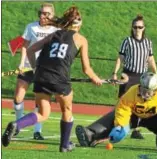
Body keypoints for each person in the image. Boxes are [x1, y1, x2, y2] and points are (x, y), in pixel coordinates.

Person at [2, 6, 103, 152]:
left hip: (41, 77)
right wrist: (96, 78)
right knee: (67, 109)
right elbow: (86, 69)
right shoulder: (81, 39)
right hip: (60, 79)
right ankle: (64, 145)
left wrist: (36, 68)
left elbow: (30, 50)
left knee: (43, 113)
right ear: (79, 24)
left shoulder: (54, 34)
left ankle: (17, 125)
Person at [13, 3, 59, 140]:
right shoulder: (31, 27)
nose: (43, 15)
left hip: (44, 69)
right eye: (42, 13)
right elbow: (24, 46)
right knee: (18, 98)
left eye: (47, 13)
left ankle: (37, 131)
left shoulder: (56, 30)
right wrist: (22, 63)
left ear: (52, 15)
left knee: (40, 102)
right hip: (28, 66)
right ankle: (18, 125)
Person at [111, 14, 157, 139]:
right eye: (135, 27)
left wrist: (156, 73)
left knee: (140, 103)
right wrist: (115, 73)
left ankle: (136, 129)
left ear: (144, 28)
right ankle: (118, 125)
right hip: (128, 75)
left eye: (140, 27)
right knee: (122, 100)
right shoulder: (127, 41)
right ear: (132, 28)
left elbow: (150, 59)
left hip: (142, 77)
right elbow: (120, 58)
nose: (137, 29)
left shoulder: (148, 42)